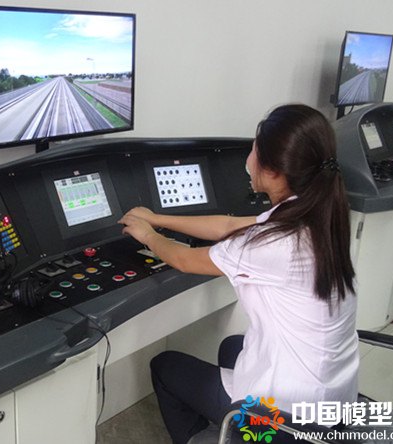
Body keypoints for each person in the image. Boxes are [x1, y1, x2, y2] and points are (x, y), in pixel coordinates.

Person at [118, 104, 359, 444]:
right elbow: (228, 226)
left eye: (254, 149)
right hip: (333, 397)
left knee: (165, 366)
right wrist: (157, 218)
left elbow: (184, 259)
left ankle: (213, 436)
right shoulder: (320, 211)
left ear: (273, 170)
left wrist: (148, 236)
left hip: (290, 416)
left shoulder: (273, 243)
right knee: (232, 346)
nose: (249, 159)